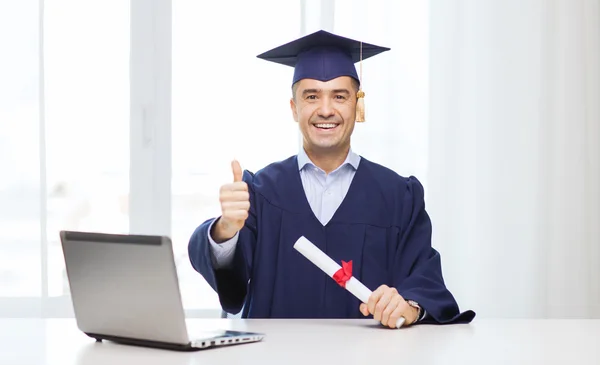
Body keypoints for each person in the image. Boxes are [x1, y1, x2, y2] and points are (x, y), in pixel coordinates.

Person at [188, 30, 475, 328]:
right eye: (311, 96)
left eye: (340, 96)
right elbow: (230, 285)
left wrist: (410, 306)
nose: (326, 110)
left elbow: (425, 281)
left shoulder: (399, 196)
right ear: (294, 108)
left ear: (356, 105)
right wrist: (226, 230)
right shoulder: (260, 192)